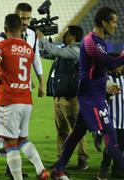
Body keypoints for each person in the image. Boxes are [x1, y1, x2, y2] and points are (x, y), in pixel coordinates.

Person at [51, 6, 124, 180]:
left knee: (76, 134)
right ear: (104, 22)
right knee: (111, 138)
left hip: (94, 95)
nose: (116, 25)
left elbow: (101, 68)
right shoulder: (92, 41)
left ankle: (58, 170)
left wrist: (107, 83)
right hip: (91, 98)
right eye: (113, 22)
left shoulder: (100, 41)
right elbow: (109, 62)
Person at [0, 13, 50, 180]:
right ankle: (41, 170)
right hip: (26, 100)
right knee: (23, 140)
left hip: (10, 100)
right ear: (21, 28)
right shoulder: (28, 48)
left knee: (10, 143)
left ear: (5, 28)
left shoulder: (2, 45)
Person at [36, 25, 89, 169]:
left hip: (72, 99)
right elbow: (45, 53)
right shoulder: (63, 49)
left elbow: (56, 51)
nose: (62, 36)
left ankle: (83, 160)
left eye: (65, 34)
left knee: (77, 130)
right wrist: (40, 41)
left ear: (72, 36)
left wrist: (42, 38)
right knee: (61, 131)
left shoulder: (77, 50)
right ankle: (61, 160)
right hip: (58, 97)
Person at [97, 64, 124, 179]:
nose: (119, 67)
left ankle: (116, 170)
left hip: (123, 120)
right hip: (110, 120)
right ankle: (103, 170)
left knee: (121, 147)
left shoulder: (123, 79)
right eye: (117, 65)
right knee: (110, 148)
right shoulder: (106, 79)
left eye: (121, 65)